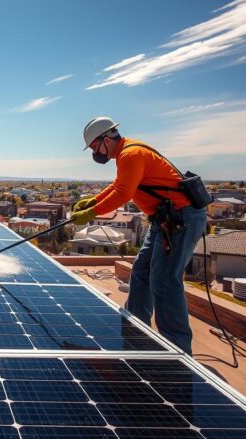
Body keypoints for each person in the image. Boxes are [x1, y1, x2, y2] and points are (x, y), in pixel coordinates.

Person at [71, 116, 207, 355]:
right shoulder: (126, 153)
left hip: (181, 219)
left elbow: (123, 193)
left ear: (106, 138)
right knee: (142, 273)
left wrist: (91, 212)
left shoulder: (131, 154)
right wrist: (94, 200)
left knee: (165, 281)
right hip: (165, 220)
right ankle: (135, 327)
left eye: (94, 146)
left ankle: (177, 351)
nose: (94, 153)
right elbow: (117, 186)